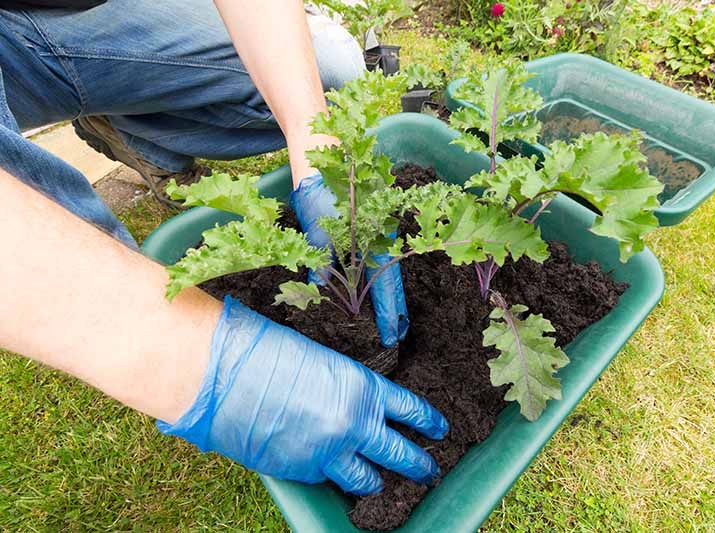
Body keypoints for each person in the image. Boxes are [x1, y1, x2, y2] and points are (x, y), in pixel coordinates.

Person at [0, 0, 448, 500]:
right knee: (71, 241)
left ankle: (133, 129)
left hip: (48, 20)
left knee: (330, 64)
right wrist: (205, 362)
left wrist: (317, 149)